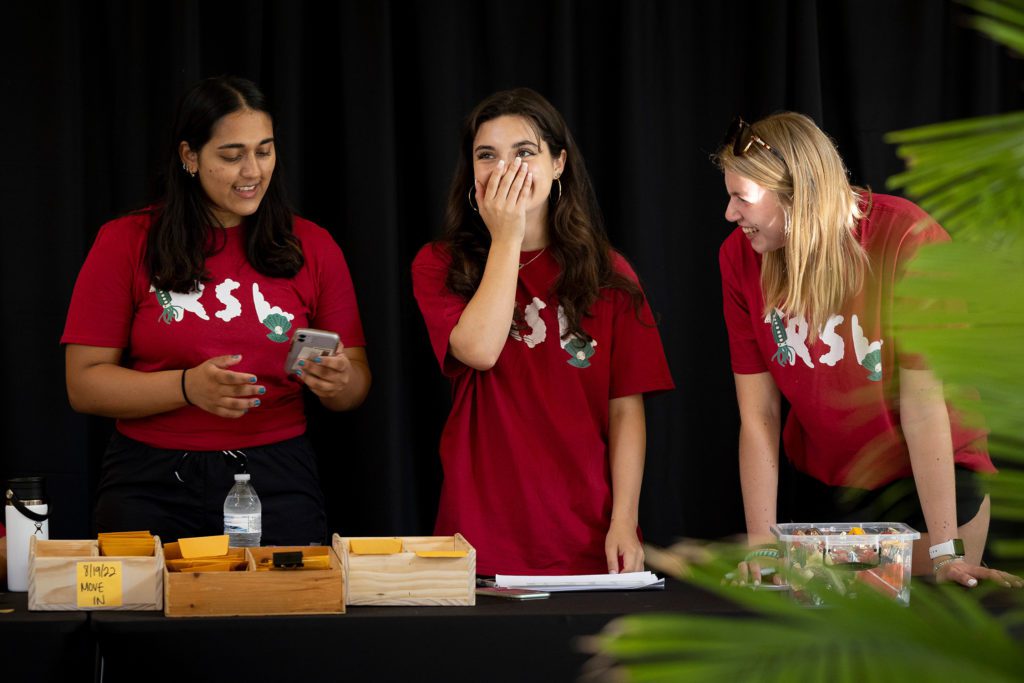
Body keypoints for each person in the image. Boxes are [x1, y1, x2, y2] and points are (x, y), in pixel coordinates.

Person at [715, 111, 1022, 588]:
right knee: (819, 611)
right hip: (830, 475)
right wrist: (763, 549)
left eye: (741, 198)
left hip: (930, 477)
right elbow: (759, 417)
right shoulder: (738, 258)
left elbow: (923, 404)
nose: (731, 214)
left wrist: (943, 552)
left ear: (797, 195)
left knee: (929, 595)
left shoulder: (905, 238)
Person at [62, 76, 370, 545]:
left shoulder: (314, 245)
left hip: (276, 475)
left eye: (264, 151)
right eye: (231, 155)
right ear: (189, 156)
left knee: (283, 613)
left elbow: (355, 388)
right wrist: (187, 387)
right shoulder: (125, 241)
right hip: (149, 479)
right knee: (139, 615)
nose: (252, 171)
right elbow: (84, 384)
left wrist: (340, 383)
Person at [412, 88, 674, 576]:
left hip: (587, 536)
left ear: (559, 164)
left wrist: (625, 521)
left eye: (525, 153)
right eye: (486, 155)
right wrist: (508, 236)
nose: (505, 169)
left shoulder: (610, 274)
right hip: (480, 534)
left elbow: (625, 412)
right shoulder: (440, 264)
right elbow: (479, 350)